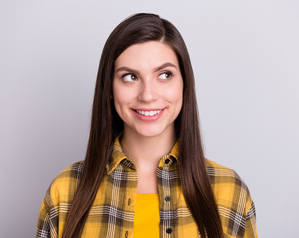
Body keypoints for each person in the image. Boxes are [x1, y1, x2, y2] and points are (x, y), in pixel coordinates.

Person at [36, 13, 257, 238]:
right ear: (110, 88)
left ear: (184, 83)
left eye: (164, 74)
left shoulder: (230, 192)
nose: (148, 95)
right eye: (130, 77)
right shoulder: (65, 193)